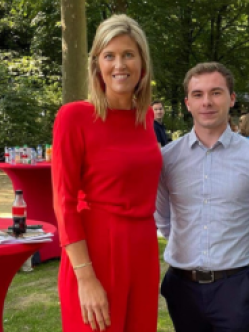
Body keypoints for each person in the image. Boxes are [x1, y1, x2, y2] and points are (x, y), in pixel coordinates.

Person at [52, 15, 161, 332]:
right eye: (109, 55)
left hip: (143, 249)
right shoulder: (74, 117)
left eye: (128, 54)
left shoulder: (146, 118)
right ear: (96, 63)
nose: (119, 64)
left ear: (142, 62)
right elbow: (64, 202)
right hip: (97, 250)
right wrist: (85, 278)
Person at [156, 62, 249, 332]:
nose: (207, 102)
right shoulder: (167, 159)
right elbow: (162, 217)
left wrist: (242, 252)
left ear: (232, 99)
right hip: (182, 286)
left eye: (216, 92)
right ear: (188, 103)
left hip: (234, 287)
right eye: (198, 95)